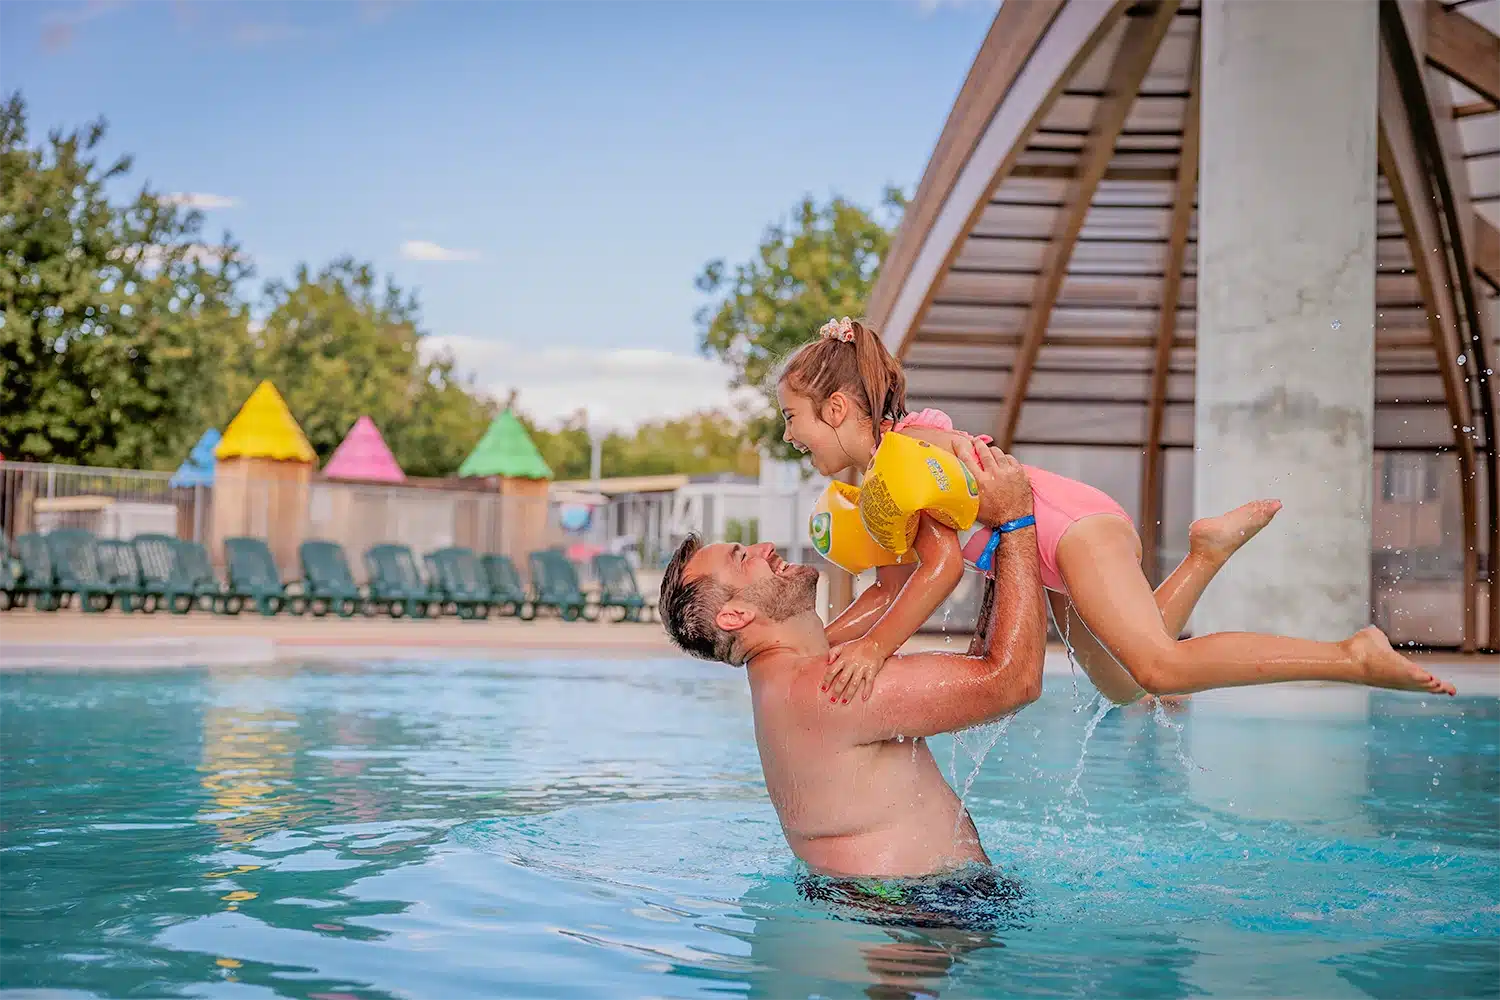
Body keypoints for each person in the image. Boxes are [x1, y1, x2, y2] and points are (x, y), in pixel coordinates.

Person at [775, 315, 1456, 706]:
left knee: (1161, 667)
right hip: (1046, 555)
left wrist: (873, 650)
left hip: (1067, 527)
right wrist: (817, 645)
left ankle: (1352, 654)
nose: (788, 435)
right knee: (1127, 687)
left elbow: (942, 568)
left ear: (836, 410)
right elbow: (889, 590)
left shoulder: (906, 456)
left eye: (791, 418)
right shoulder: (876, 486)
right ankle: (1205, 553)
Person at [658, 440, 1047, 880]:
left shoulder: (790, 683)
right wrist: (1017, 521)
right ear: (735, 616)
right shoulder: (827, 689)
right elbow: (1014, 681)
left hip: (890, 905)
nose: (765, 546)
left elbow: (908, 607)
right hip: (912, 916)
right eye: (742, 557)